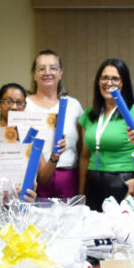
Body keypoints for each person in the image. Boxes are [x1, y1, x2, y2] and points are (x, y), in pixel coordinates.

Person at [77, 58, 134, 211]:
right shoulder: (89, 115)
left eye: (115, 78)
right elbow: (84, 157)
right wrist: (81, 194)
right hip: (92, 183)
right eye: (105, 78)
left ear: (124, 83)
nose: (109, 83)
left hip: (122, 182)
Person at [24, 50, 80, 198]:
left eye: (53, 68)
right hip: (32, 179)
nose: (47, 72)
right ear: (34, 74)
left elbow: (82, 147)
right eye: (42, 68)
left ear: (61, 73)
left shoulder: (73, 105)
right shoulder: (24, 104)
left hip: (68, 178)